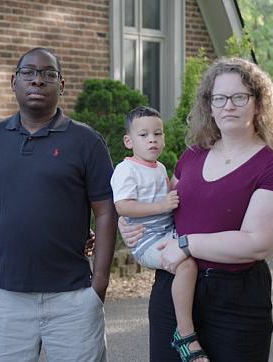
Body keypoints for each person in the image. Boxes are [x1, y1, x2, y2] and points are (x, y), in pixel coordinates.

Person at [119, 58, 273, 362]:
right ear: (209, 106)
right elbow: (166, 206)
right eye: (219, 98)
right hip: (172, 292)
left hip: (235, 300)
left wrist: (187, 243)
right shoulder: (193, 156)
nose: (228, 105)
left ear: (258, 104)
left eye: (239, 97)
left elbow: (257, 243)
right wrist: (132, 221)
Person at [0, 47, 117, 362]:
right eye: (28, 73)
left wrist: (99, 284)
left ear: (61, 86)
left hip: (73, 296)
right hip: (7, 294)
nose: (37, 81)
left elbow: (106, 211)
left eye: (48, 74)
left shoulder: (87, 142)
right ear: (14, 82)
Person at [110, 106, 207, 361]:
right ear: (128, 141)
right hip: (146, 238)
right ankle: (185, 332)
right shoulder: (126, 169)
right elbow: (122, 206)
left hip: (166, 232)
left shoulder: (160, 167)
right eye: (143, 135)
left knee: (194, 254)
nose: (152, 139)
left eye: (157, 133)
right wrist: (161, 206)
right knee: (186, 265)